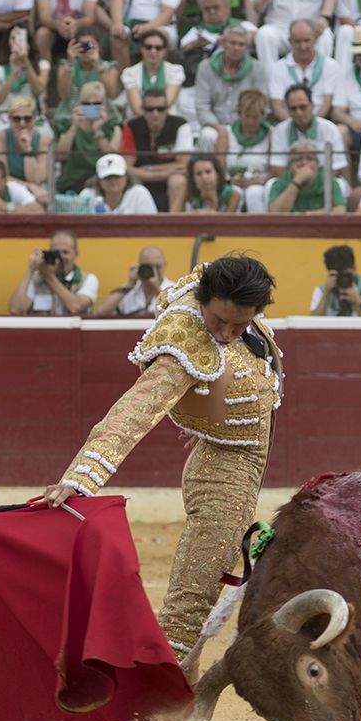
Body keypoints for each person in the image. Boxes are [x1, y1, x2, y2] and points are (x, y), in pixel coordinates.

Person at [35, 254, 281, 686]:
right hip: (224, 474)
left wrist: (203, 418)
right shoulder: (185, 339)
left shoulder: (218, 299)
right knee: (188, 610)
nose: (224, 335)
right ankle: (152, 717)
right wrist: (81, 478)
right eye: (219, 320)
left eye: (238, 326)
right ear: (205, 301)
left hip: (233, 461)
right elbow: (134, 412)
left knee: (204, 598)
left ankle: (174, 707)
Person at [9, 228, 98, 315]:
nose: (61, 257)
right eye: (56, 252)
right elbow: (16, 310)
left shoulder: (88, 279)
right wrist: (31, 270)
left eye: (65, 252)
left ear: (76, 253)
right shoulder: (37, 278)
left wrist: (49, 277)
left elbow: (76, 307)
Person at [92, 245, 170, 318]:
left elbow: (175, 314)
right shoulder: (128, 291)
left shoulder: (174, 289)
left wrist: (156, 289)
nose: (154, 271)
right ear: (139, 266)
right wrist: (130, 283)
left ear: (165, 265)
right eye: (148, 267)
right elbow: (101, 313)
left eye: (157, 267)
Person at [309, 243, 361, 316]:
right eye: (338, 275)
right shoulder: (321, 291)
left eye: (345, 274)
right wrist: (326, 294)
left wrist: (359, 303)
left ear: (354, 269)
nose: (342, 278)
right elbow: (312, 323)